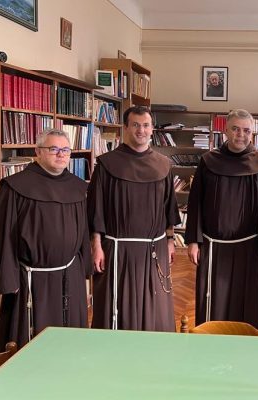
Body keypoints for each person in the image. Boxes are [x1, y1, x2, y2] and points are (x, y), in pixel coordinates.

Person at [0, 129, 92, 349]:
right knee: (29, 344)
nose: (61, 154)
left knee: (70, 343)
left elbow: (84, 232)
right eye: (53, 149)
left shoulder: (78, 187)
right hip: (30, 278)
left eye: (65, 150)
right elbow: (1, 235)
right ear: (38, 151)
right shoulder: (15, 186)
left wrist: (84, 270)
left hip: (70, 274)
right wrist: (8, 278)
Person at [88, 106, 180, 331]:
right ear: (126, 128)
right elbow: (96, 210)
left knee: (155, 308)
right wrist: (96, 246)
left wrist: (170, 240)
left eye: (146, 125)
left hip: (155, 248)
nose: (141, 130)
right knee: (118, 307)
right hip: (117, 250)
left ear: (152, 129)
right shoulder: (106, 165)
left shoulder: (163, 165)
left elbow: (169, 207)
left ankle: (154, 348)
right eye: (136, 125)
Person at [186, 109, 258, 327]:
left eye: (246, 130)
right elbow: (195, 202)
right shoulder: (208, 161)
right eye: (235, 129)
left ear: (252, 133)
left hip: (249, 247)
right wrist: (194, 241)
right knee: (214, 301)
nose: (240, 135)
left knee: (248, 300)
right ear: (225, 130)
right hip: (214, 246)